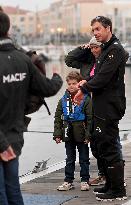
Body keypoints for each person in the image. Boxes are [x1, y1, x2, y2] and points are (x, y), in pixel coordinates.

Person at [0, 11, 63, 205]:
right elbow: (48, 88)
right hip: (15, 137)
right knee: (13, 189)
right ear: (8, 29)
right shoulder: (22, 59)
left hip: (3, 141)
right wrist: (57, 77)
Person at [74, 16, 127, 201]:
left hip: (110, 105)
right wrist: (86, 81)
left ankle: (118, 190)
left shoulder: (115, 50)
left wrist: (83, 89)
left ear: (108, 28)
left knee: (110, 145)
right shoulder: (106, 49)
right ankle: (111, 184)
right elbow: (96, 75)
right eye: (93, 30)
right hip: (102, 104)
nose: (95, 33)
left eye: (98, 29)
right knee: (103, 143)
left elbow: (104, 77)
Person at [65, 37, 106, 186]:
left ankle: (113, 175)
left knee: (108, 142)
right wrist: (82, 48)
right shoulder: (86, 60)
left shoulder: (107, 60)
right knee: (94, 143)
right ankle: (103, 174)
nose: (95, 50)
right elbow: (68, 60)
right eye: (92, 47)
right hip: (87, 104)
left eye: (97, 47)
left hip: (103, 105)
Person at [53, 71, 93, 191]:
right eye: (69, 83)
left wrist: (88, 135)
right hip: (67, 133)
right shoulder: (62, 100)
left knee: (84, 159)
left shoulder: (86, 99)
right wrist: (57, 134)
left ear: (79, 84)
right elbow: (58, 118)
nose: (71, 86)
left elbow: (90, 119)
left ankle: (85, 180)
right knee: (69, 158)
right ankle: (68, 181)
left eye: (74, 83)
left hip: (82, 133)